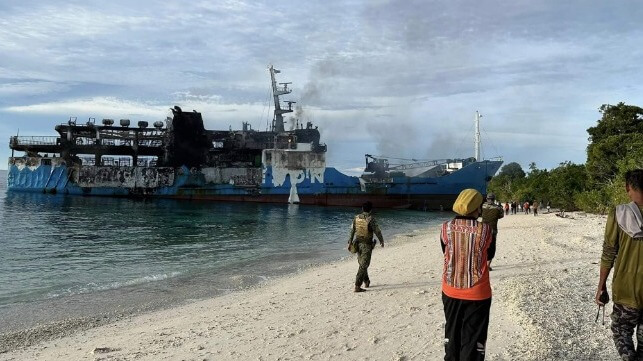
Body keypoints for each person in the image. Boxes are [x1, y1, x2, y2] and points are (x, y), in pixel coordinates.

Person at [441, 189, 494, 361]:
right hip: (478, 292)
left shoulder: (445, 228)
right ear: (477, 207)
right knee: (473, 339)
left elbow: (445, 252)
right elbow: (490, 255)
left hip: (450, 289)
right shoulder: (486, 230)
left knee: (452, 334)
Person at [595, 169, 643, 360]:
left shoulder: (619, 213)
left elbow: (609, 252)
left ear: (627, 187)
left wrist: (601, 286)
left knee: (621, 330)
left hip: (626, 288)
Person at [347, 201, 384, 292]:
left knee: (362, 263)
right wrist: (381, 241)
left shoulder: (356, 218)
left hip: (357, 244)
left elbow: (352, 230)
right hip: (367, 245)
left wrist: (350, 242)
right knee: (364, 264)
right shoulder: (370, 219)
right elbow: (377, 231)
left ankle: (366, 281)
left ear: (362, 209)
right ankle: (357, 286)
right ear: (371, 210)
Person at [481, 192, 502, 271]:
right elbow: (501, 216)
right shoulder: (498, 208)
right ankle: (487, 265)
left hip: (482, 229)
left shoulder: (482, 206)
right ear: (494, 199)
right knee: (492, 247)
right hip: (493, 230)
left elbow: (479, 213)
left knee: (482, 247)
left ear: (487, 198)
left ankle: (481, 264)